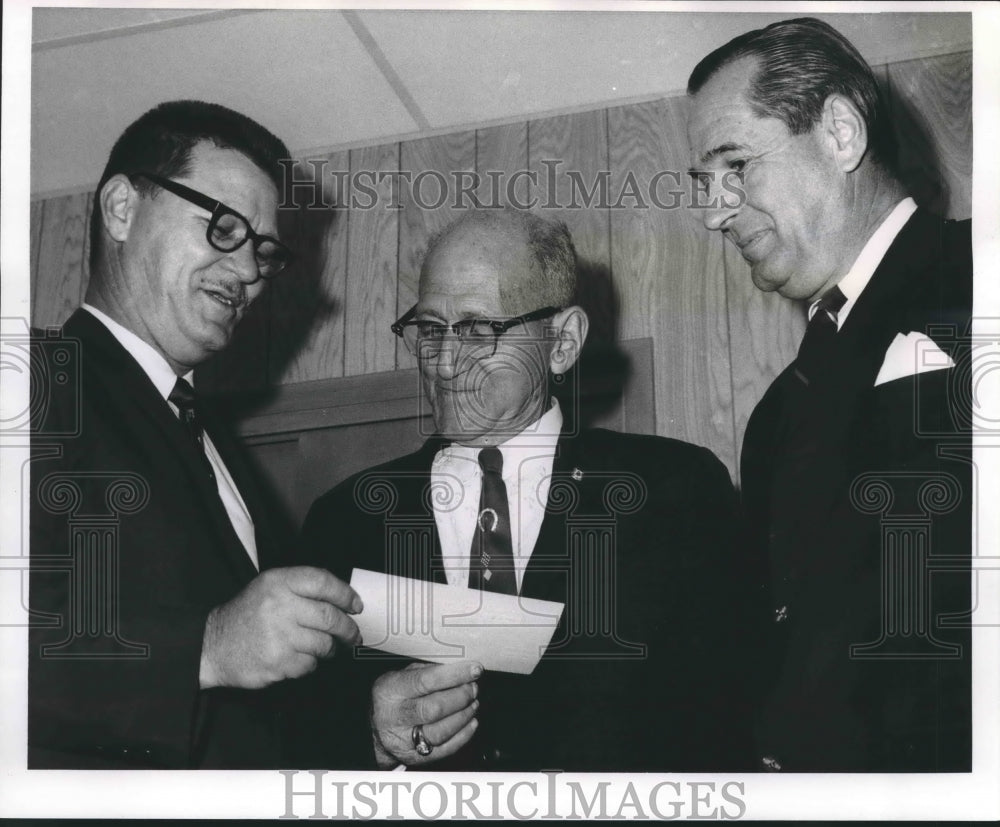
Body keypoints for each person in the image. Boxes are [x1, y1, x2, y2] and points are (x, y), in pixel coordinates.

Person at [291, 208, 751, 771]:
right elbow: (290, 727)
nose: (445, 363)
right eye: (430, 330)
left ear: (561, 342)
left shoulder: (673, 491)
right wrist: (368, 731)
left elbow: (734, 711)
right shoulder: (345, 518)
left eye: (479, 330)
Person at [28, 100, 362, 769]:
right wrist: (205, 646)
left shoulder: (215, 449)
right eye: (223, 228)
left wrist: (367, 726)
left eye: (263, 251)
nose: (247, 274)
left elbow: (242, 709)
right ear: (122, 209)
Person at [686, 18, 972, 771]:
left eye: (736, 166)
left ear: (841, 132)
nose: (714, 212)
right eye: (705, 184)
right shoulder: (775, 417)